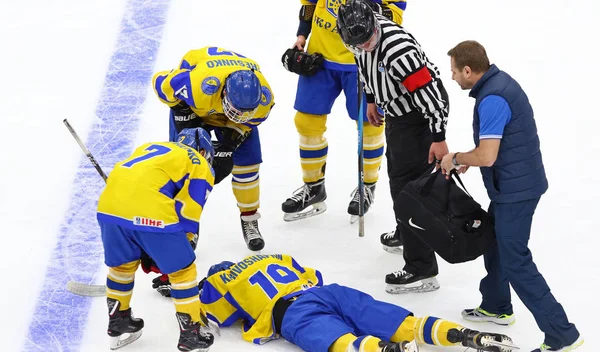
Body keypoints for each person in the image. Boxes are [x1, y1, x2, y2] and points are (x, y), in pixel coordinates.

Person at [198, 254, 516, 352]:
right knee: (399, 321)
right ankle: (464, 335)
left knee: (340, 343)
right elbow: (313, 274)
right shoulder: (275, 257)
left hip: (291, 312)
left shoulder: (222, 279)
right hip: (325, 292)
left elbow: (218, 316)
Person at [441, 40, 583, 352]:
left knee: (516, 259)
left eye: (454, 72)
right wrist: (469, 160)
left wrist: (457, 158)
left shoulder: (492, 99)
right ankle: (496, 305)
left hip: (516, 193)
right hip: (512, 187)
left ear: (468, 70)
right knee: (494, 242)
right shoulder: (498, 84)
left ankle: (561, 333)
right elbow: (494, 150)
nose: (452, 78)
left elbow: (488, 156)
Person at [337, 0, 450, 293]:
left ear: (375, 26)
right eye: (357, 44)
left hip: (420, 116)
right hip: (397, 112)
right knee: (399, 180)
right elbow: (364, 66)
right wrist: (373, 99)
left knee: (410, 189)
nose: (364, 46)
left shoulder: (397, 49)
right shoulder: (359, 43)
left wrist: (438, 138)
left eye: (369, 40)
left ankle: (421, 269)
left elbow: (432, 97)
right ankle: (408, 230)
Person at [96, 128, 216, 352]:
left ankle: (118, 320)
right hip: (150, 213)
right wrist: (172, 250)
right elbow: (188, 213)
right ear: (202, 150)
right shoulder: (198, 162)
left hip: (109, 207)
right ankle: (191, 334)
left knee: (122, 267)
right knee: (183, 270)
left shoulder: (152, 147)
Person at [280, 0, 406, 222]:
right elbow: (309, 5)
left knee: (370, 124)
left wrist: (371, 9)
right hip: (319, 58)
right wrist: (302, 35)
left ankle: (367, 186)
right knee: (306, 122)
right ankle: (314, 187)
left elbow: (394, 16)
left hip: (361, 59)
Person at [152, 46, 276, 251]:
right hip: (194, 107)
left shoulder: (264, 99)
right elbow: (159, 82)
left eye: (247, 111)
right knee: (186, 170)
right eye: (236, 110)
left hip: (214, 104)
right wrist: (182, 111)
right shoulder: (196, 85)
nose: (239, 115)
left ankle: (249, 219)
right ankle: (184, 227)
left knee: (248, 166)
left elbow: (246, 122)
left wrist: (229, 145)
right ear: (225, 92)